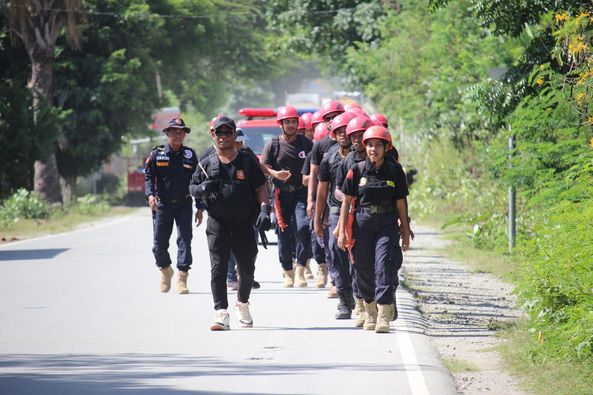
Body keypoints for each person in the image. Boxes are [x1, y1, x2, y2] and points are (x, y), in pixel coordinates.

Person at [190, 116, 271, 331]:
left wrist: (264, 209)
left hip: (245, 223)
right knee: (218, 268)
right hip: (217, 224)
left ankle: (242, 303)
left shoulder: (246, 160)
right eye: (219, 133)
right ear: (213, 135)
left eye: (228, 133)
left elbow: (261, 187)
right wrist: (203, 189)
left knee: (247, 270)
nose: (223, 137)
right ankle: (221, 313)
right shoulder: (206, 162)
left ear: (235, 135)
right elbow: (193, 187)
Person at [338, 125, 411, 333]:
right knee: (363, 268)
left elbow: (401, 203)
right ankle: (369, 310)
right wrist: (342, 231)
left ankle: (383, 314)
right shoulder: (357, 170)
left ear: (386, 147)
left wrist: (405, 231)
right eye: (370, 145)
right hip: (363, 222)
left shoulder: (395, 170)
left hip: (387, 223)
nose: (373, 149)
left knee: (384, 266)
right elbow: (346, 202)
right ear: (365, 147)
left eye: (378, 145)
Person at [144, 117, 198, 295]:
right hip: (163, 205)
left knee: (185, 240)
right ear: (167, 133)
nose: (177, 135)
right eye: (174, 131)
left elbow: (198, 181)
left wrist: (201, 207)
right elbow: (149, 177)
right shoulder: (157, 154)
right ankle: (166, 270)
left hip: (184, 203)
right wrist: (150, 195)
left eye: (181, 132)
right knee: (159, 245)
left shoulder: (190, 155)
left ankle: (182, 278)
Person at [261, 105, 313, 288]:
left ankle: (300, 269)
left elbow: (316, 164)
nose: (291, 125)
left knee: (303, 228)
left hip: (301, 193)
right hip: (281, 195)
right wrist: (275, 174)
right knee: (283, 233)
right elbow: (263, 166)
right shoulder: (273, 144)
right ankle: (287, 272)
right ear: (280, 124)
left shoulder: (306, 144)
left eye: (293, 121)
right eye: (287, 122)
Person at [314, 112, 356, 319]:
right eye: (337, 131)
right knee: (335, 250)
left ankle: (362, 295)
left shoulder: (362, 156)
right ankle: (344, 300)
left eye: (345, 130)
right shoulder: (328, 159)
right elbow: (322, 191)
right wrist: (317, 220)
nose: (342, 134)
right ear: (333, 134)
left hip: (358, 211)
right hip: (335, 211)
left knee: (357, 254)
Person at [307, 100, 345, 294]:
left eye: (336, 116)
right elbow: (315, 177)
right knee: (331, 243)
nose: (333, 121)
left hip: (353, 201)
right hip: (331, 202)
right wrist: (312, 202)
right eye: (329, 118)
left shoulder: (354, 143)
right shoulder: (322, 145)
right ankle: (335, 280)